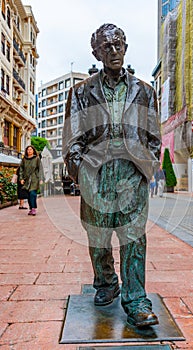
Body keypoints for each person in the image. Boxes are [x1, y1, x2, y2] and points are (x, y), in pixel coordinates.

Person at [63, 23, 161, 327]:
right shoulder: (81, 92)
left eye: (119, 44)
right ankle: (106, 283)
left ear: (126, 47)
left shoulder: (145, 91)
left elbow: (154, 138)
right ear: (96, 52)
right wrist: (83, 175)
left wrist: (148, 168)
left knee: (134, 237)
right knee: (99, 236)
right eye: (107, 46)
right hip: (97, 172)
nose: (114, 50)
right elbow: (71, 140)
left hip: (132, 172)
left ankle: (136, 299)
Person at [19, 145, 44, 216]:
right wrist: (21, 178)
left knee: (32, 194)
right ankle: (31, 208)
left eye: (31, 149)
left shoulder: (37, 159)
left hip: (34, 179)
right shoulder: (24, 159)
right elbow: (21, 169)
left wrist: (41, 179)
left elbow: (40, 169)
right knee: (29, 195)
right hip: (26, 180)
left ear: (33, 150)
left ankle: (33, 209)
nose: (29, 151)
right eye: (28, 149)